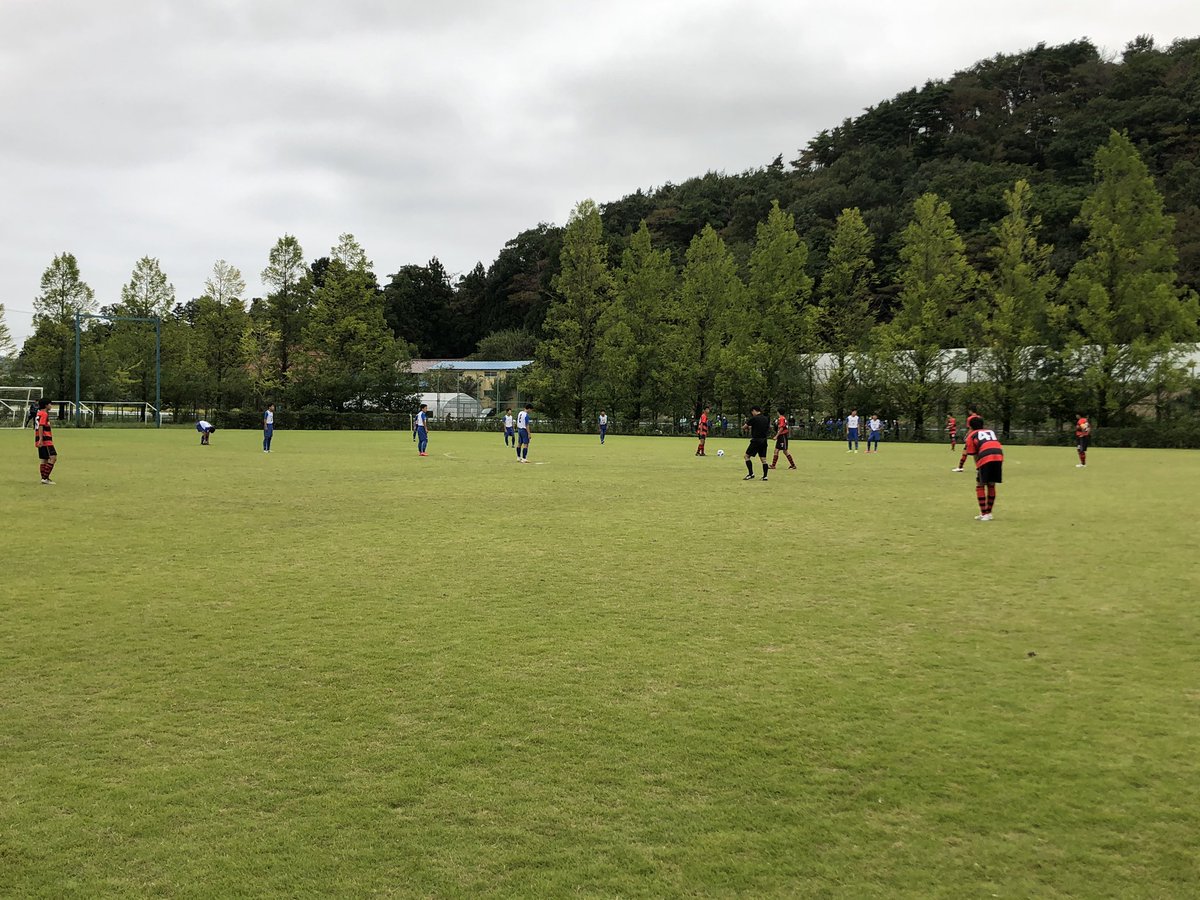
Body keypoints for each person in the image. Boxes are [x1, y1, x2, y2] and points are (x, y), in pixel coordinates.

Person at [961, 414, 1004, 521]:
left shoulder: (971, 435)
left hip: (986, 456)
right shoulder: (990, 431)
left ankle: (984, 513)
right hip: (998, 455)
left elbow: (974, 453)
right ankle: (988, 513)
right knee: (991, 484)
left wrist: (978, 467)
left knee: (980, 484)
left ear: (970, 427)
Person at [742, 406, 770, 481]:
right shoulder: (766, 418)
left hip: (756, 440)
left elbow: (744, 427)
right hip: (764, 440)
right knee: (763, 459)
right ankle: (765, 476)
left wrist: (747, 427)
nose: (752, 414)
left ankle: (751, 474)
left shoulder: (754, 418)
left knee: (746, 456)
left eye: (752, 412)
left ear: (754, 411)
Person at [34, 397, 57, 484]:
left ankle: (44, 478)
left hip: (40, 439)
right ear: (46, 405)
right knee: (53, 457)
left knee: (44, 459)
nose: (51, 405)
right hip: (45, 440)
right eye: (50, 404)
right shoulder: (44, 414)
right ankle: (45, 478)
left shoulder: (39, 413)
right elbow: (41, 425)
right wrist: (41, 438)